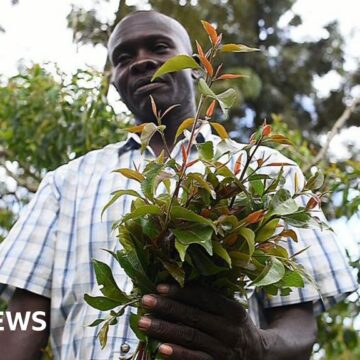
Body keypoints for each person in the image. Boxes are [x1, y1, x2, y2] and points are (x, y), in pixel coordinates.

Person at [0, 10, 357, 360]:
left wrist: (252, 347)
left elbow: (299, 326)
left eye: (158, 47)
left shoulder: (268, 171)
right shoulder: (65, 183)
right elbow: (24, 315)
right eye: (123, 57)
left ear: (198, 67)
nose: (141, 62)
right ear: (114, 82)